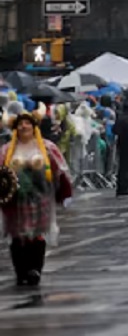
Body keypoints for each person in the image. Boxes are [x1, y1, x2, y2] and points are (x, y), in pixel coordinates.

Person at [1, 110, 73, 287]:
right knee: (17, 235)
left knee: (37, 234)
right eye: (20, 124)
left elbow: (60, 171)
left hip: (40, 198)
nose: (23, 126)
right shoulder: (5, 150)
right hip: (15, 201)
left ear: (34, 127)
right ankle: (21, 271)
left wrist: (64, 193)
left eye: (27, 123)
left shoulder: (47, 147)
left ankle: (35, 269)